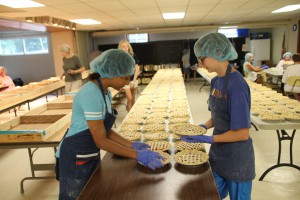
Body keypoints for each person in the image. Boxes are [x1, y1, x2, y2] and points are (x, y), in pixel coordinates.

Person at [56, 49, 164, 200]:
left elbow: (104, 130)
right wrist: (136, 155)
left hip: (88, 151)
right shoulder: (90, 94)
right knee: (77, 196)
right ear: (112, 73)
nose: (127, 82)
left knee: (91, 193)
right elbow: (100, 140)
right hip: (75, 154)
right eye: (125, 78)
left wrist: (131, 144)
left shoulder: (104, 91)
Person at [181, 33, 255, 200]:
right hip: (218, 156)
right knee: (211, 195)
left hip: (237, 159)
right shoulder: (216, 82)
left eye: (202, 58)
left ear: (218, 53)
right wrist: (203, 127)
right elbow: (218, 116)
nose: (200, 63)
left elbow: (242, 133)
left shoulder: (237, 86)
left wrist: (209, 140)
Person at [118, 40, 140, 112]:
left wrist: (133, 81)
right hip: (125, 81)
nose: (125, 48)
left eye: (126, 46)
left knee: (133, 98)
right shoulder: (119, 57)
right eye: (123, 47)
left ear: (129, 47)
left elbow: (137, 69)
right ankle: (129, 114)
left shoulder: (133, 55)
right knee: (129, 98)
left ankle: (131, 113)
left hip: (134, 79)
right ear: (120, 48)